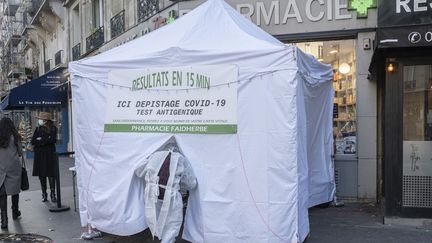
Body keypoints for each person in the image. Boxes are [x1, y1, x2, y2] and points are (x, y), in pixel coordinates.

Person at [135, 141, 197, 243]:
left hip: (152, 194)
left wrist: (151, 177)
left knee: (157, 218)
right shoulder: (181, 159)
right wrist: (178, 183)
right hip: (171, 196)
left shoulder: (154, 155)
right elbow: (191, 183)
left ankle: (160, 237)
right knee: (172, 224)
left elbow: (138, 170)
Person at [0, 118, 23, 229]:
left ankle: (4, 220)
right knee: (15, 191)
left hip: (1, 168)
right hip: (14, 167)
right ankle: (15, 212)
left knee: (2, 194)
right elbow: (20, 153)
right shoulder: (15, 136)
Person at [31, 112, 57, 203]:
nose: (39, 120)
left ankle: (53, 194)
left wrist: (41, 140)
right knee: (41, 175)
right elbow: (33, 141)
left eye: (41, 119)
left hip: (49, 154)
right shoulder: (38, 129)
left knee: (51, 174)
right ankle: (44, 193)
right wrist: (45, 140)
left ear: (46, 121)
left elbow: (53, 140)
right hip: (39, 155)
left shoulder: (53, 128)